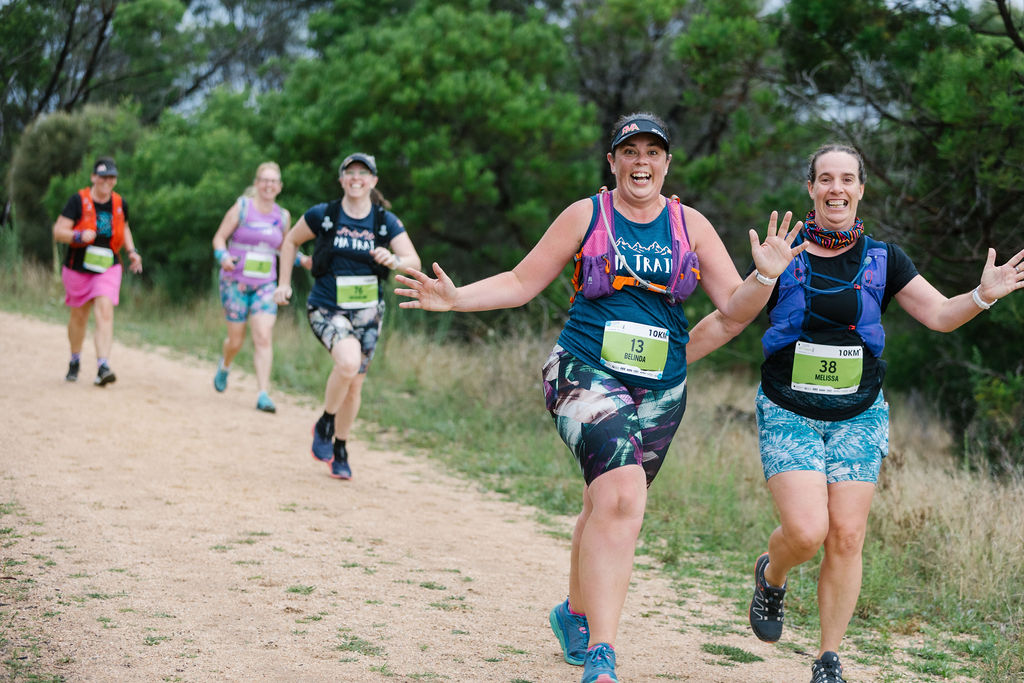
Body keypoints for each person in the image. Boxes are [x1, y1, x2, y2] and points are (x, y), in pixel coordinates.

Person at [394, 113, 806, 683]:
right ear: (612, 162)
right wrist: (458, 297)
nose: (641, 162)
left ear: (667, 163)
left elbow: (733, 312)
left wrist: (762, 279)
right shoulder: (587, 215)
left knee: (603, 503)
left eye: (652, 152)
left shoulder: (691, 225)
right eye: (629, 151)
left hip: (660, 390)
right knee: (621, 500)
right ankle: (603, 657)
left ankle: (574, 614)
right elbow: (520, 281)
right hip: (582, 372)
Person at [690, 143, 1024, 683]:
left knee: (846, 535)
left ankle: (828, 658)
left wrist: (981, 297)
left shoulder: (885, 259)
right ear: (811, 189)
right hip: (788, 409)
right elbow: (729, 318)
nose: (836, 189)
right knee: (806, 532)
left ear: (861, 189)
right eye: (825, 179)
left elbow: (939, 314)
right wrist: (762, 279)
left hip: (859, 415)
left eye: (847, 179)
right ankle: (772, 574)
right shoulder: (782, 254)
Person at [274, 153, 421, 479]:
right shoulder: (324, 215)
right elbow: (290, 241)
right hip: (327, 307)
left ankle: (340, 446)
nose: (356, 178)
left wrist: (395, 260)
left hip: (369, 312)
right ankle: (326, 422)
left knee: (354, 386)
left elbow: (414, 260)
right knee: (348, 363)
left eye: (363, 173)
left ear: (373, 181)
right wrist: (283, 284)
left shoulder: (385, 221)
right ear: (341, 179)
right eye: (350, 172)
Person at [211, 162, 305, 413]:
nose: (268, 185)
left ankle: (263, 393)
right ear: (256, 183)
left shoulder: (282, 216)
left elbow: (285, 247)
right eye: (264, 180)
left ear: (280, 187)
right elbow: (219, 237)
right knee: (236, 340)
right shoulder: (242, 207)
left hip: (266, 284)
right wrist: (223, 257)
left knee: (263, 336)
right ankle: (225, 364)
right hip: (235, 283)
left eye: (274, 181)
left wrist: (303, 259)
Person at [52, 156, 143, 386]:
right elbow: (58, 231)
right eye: (103, 176)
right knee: (79, 317)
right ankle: (74, 359)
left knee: (104, 310)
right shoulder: (77, 201)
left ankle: (103, 366)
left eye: (111, 177)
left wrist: (131, 251)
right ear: (94, 177)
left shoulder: (120, 203)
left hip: (108, 266)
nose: (107, 181)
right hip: (78, 268)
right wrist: (78, 235)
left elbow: (124, 227)